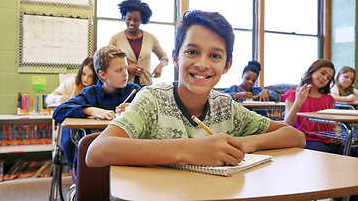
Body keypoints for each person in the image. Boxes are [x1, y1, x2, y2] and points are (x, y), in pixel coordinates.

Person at [86, 10, 306, 168]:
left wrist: (248, 142)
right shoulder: (152, 99)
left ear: (227, 65)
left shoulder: (226, 107)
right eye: (192, 52)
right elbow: (96, 153)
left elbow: (295, 136)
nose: (202, 64)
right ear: (175, 57)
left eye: (215, 56)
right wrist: (189, 150)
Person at [53, 45, 141, 164]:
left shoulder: (134, 90)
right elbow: (59, 112)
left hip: (126, 154)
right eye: (118, 70)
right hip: (95, 156)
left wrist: (134, 109)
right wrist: (90, 110)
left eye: (125, 68)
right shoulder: (90, 93)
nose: (125, 74)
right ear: (102, 74)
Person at [282, 59, 358, 157]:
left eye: (328, 78)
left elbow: (334, 126)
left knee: (353, 153)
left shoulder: (328, 99)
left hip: (329, 140)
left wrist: (338, 135)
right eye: (322, 73)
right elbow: (288, 124)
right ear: (313, 70)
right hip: (305, 140)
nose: (324, 78)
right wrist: (299, 101)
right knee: (329, 156)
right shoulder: (294, 95)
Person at [109, 0, 169, 87]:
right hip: (124, 87)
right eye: (129, 19)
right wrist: (127, 67)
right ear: (124, 17)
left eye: (136, 20)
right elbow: (108, 62)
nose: (132, 23)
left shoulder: (151, 38)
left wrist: (160, 66)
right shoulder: (116, 39)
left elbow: (164, 58)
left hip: (146, 87)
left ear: (142, 20)